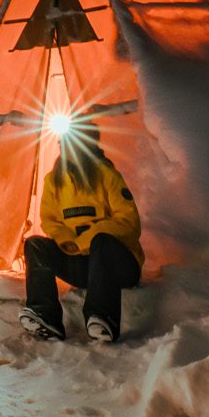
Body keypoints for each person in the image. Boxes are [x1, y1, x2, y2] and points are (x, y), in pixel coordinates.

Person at [21, 129, 142, 343]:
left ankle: (103, 318)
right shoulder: (54, 181)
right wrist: (66, 241)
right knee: (35, 245)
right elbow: (50, 219)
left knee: (102, 241)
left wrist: (86, 241)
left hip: (118, 266)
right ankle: (44, 315)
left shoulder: (107, 175)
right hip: (83, 264)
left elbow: (128, 222)